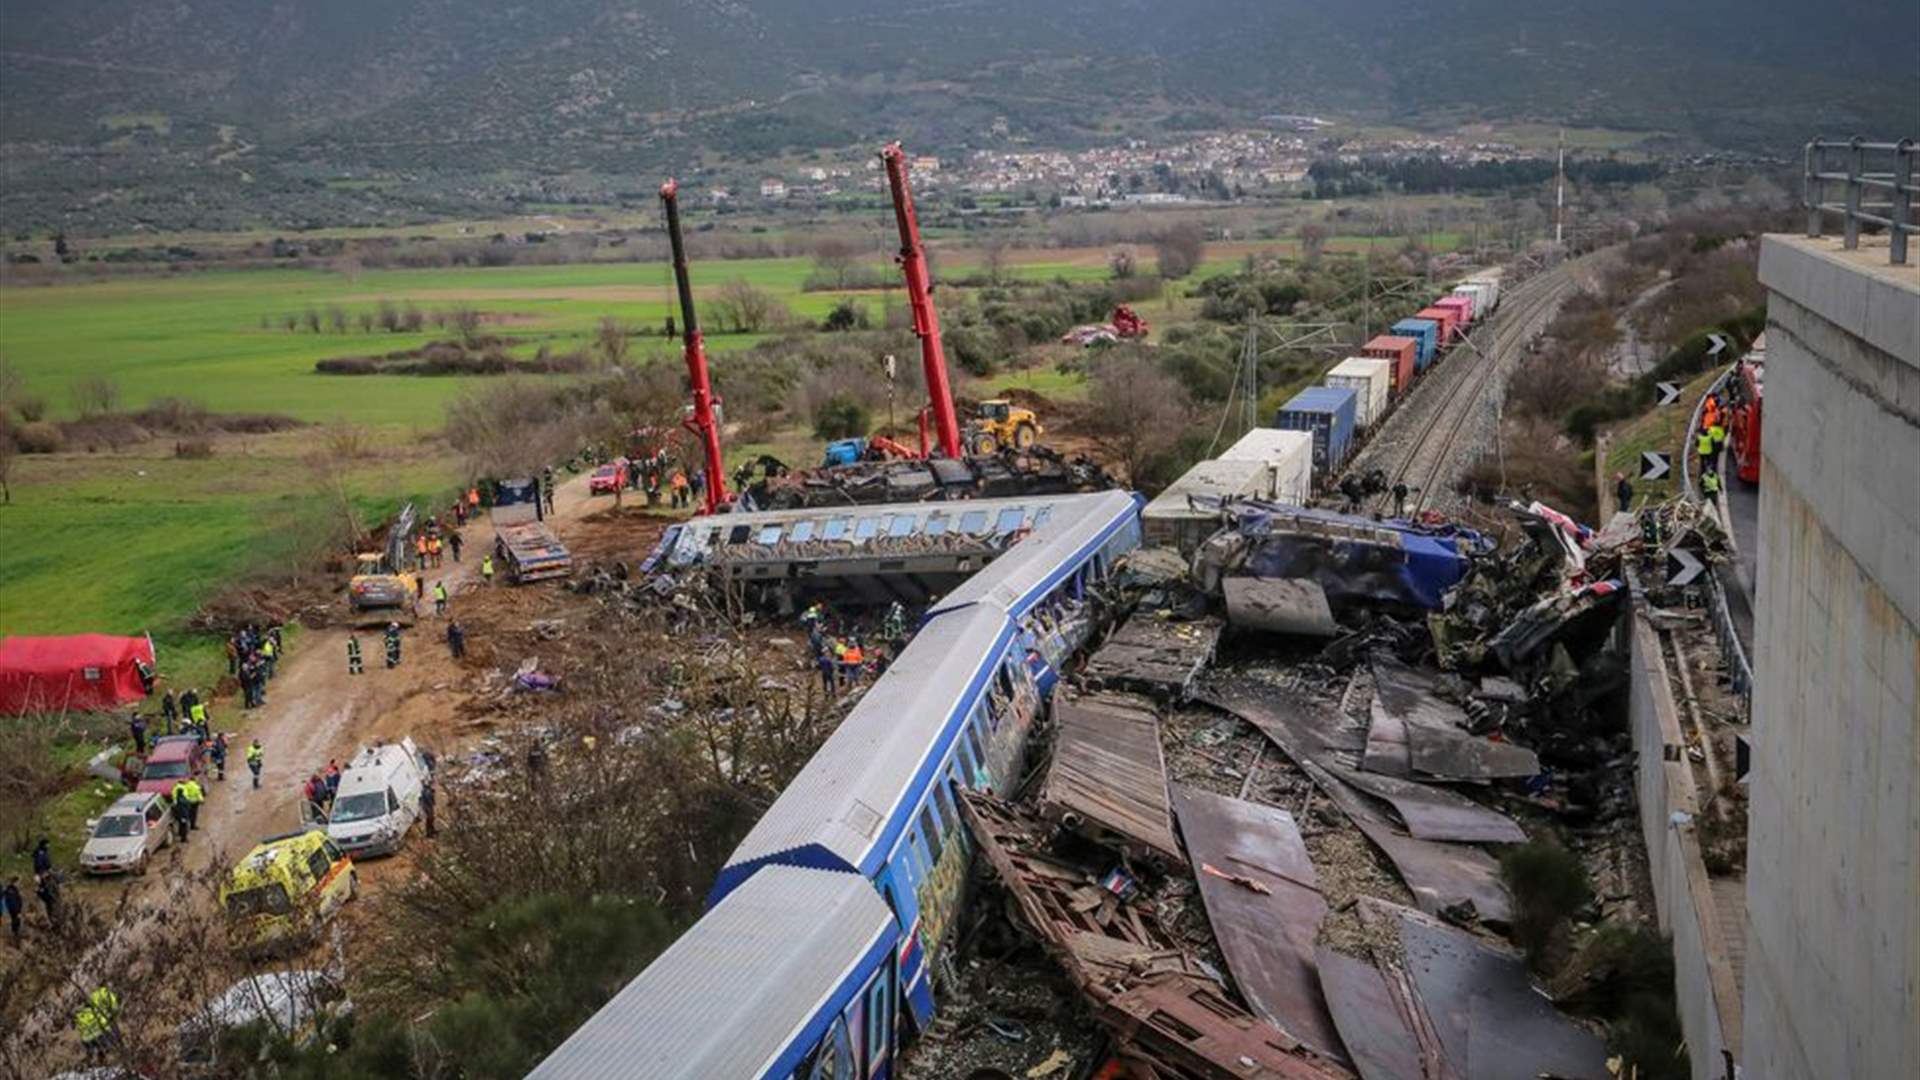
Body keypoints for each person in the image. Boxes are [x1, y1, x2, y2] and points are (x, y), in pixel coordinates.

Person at [74, 984, 119, 1060]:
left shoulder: (79, 1005)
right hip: (102, 1031)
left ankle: (95, 1061)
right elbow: (114, 1007)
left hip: (87, 1038)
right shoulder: (103, 992)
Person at [3, 878, 22, 944]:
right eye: (18, 882)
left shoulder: (10, 889)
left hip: (13, 910)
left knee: (15, 923)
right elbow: (14, 901)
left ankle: (15, 936)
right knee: (16, 923)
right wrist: (18, 911)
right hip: (14, 910)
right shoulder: (11, 890)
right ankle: (15, 937)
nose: (19, 884)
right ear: (15, 882)